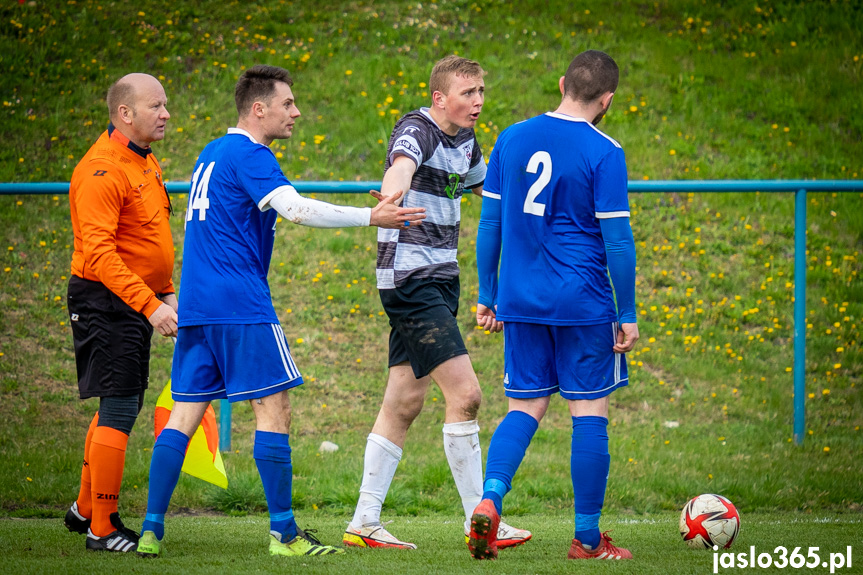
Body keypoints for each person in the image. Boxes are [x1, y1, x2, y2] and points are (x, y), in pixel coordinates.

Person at [135, 64, 425, 559]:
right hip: (240, 304)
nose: (297, 112)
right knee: (275, 409)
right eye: (288, 103)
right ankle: (285, 535)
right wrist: (369, 216)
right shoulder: (250, 154)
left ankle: (151, 530)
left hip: (199, 304)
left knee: (183, 415)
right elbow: (296, 209)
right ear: (258, 109)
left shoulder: (211, 153)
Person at [343, 55, 531, 551]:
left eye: (482, 92)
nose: (478, 102)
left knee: (404, 402)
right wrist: (390, 198)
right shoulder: (418, 129)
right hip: (412, 278)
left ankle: (364, 522)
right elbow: (399, 169)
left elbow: (487, 190)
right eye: (468, 93)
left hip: (440, 278)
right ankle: (480, 518)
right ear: (439, 98)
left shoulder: (466, 141)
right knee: (466, 395)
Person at [467, 50, 639, 561]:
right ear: (607, 100)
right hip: (582, 301)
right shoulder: (606, 151)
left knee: (525, 406)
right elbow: (619, 242)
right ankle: (587, 539)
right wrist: (626, 312)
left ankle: (489, 499)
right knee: (589, 412)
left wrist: (486, 294)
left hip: (520, 298)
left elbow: (490, 224)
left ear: (563, 83)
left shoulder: (511, 138)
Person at [64, 73, 178, 553]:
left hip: (133, 300)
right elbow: (102, 255)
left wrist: (166, 291)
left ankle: (86, 509)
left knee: (123, 401)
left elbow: (147, 240)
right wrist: (151, 305)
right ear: (125, 113)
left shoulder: (142, 161)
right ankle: (102, 528)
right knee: (118, 404)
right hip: (106, 300)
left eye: (165, 104)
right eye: (156, 106)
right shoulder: (102, 170)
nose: (166, 113)